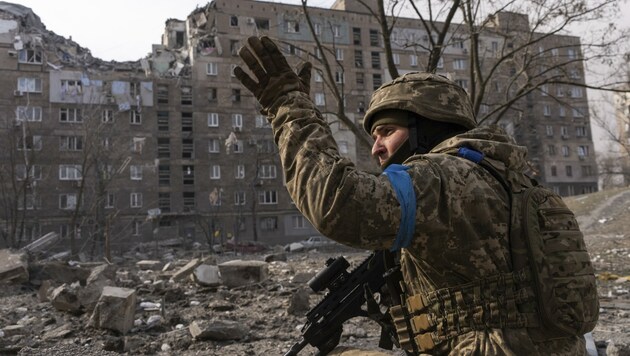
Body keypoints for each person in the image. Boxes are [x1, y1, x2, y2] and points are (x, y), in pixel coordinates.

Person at [234, 36, 587, 355]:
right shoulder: (512, 180)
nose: (376, 148)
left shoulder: (441, 177)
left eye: (387, 132)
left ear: (427, 128)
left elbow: (337, 203)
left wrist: (288, 106)